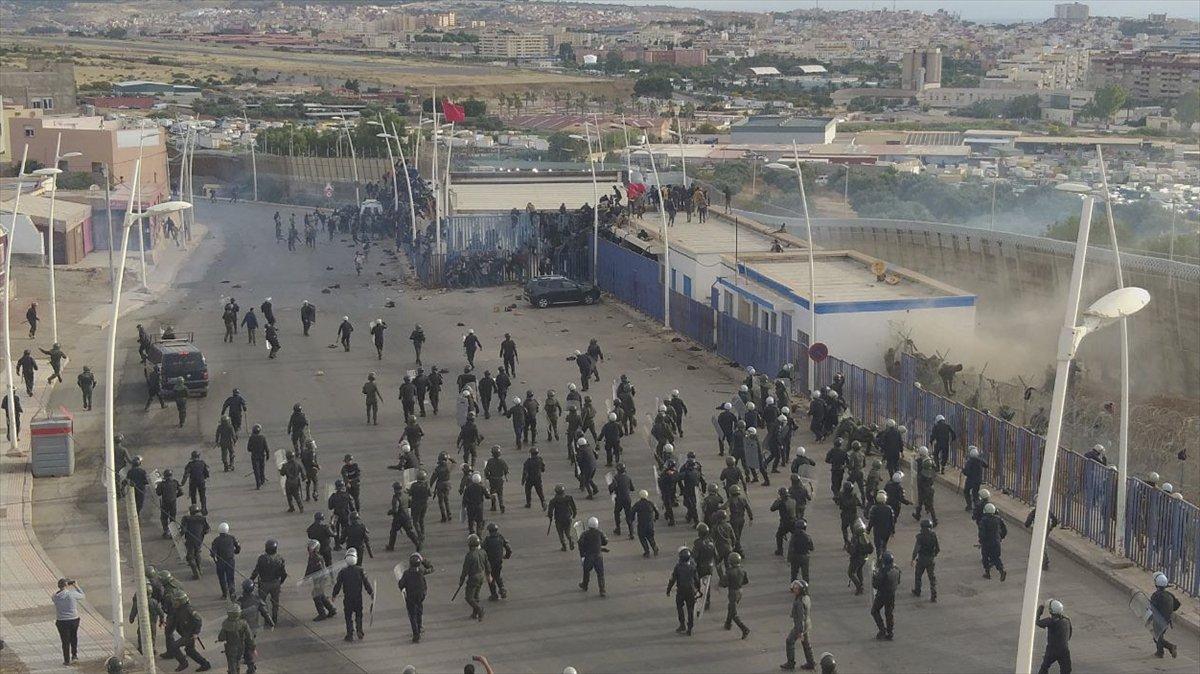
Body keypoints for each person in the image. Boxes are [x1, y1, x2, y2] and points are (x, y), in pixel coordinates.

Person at [332, 550, 374, 641]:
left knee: (348, 616)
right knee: (359, 614)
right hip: (358, 598)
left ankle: (350, 634)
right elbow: (366, 583)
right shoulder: (360, 570)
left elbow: (338, 585)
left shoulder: (343, 572)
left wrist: (334, 595)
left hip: (348, 598)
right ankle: (359, 630)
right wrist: (371, 593)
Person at [397, 553, 435, 642]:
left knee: (412, 615)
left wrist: (400, 583)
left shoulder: (406, 573)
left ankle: (416, 634)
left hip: (411, 597)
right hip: (421, 595)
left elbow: (401, 585)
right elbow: (432, 568)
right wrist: (424, 561)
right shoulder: (421, 571)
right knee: (419, 610)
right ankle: (420, 626)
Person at [250, 539, 287, 627]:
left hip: (264, 584)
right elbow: (284, 574)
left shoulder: (262, 558)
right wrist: (280, 582)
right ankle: (274, 619)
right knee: (275, 603)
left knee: (262, 603)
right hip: (275, 583)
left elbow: (256, 571)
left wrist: (251, 579)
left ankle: (267, 620)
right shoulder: (280, 559)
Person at [781, 580, 814, 671]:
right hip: (807, 624)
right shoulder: (806, 597)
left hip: (800, 626)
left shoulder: (799, 602)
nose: (794, 590)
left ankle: (790, 663)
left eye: (796, 588)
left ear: (801, 590)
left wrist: (800, 632)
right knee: (806, 643)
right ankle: (811, 662)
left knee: (789, 641)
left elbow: (800, 618)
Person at [666, 547, 701, 636]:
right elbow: (697, 579)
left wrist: (668, 590)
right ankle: (690, 627)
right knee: (690, 609)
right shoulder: (692, 567)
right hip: (691, 591)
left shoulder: (678, 567)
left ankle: (682, 625)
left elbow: (672, 579)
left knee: (679, 607)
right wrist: (698, 589)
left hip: (681, 591)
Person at [304, 539, 338, 622]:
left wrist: (319, 583)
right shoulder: (311, 557)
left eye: (311, 548)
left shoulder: (318, 558)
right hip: (316, 579)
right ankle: (331, 609)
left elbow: (322, 571)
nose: (309, 550)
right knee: (321, 595)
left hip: (321, 579)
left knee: (316, 595)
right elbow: (309, 567)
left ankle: (322, 614)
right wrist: (306, 576)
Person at [1035, 600, 1072, 674]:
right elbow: (1069, 633)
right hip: (1064, 650)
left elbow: (1038, 622)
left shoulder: (1050, 621)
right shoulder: (1067, 620)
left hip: (1052, 650)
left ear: (1050, 611)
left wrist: (1040, 609)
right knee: (1066, 670)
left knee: (1044, 668)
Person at [53, 578, 84, 666]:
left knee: (65, 641)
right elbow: (82, 595)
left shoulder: (55, 596)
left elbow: (57, 594)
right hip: (73, 619)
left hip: (61, 621)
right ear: (67, 585)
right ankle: (74, 655)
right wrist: (76, 586)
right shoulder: (72, 594)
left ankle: (66, 660)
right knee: (73, 637)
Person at [459, 534, 490, 621]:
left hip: (473, 577)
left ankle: (479, 610)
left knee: (469, 597)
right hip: (481, 575)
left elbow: (465, 569)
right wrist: (488, 574)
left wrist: (461, 580)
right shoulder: (483, 552)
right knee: (476, 595)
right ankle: (474, 613)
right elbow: (487, 564)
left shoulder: (470, 555)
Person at [216, 605, 255, 674]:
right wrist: (253, 647)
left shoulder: (226, 623)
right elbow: (249, 637)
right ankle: (237, 670)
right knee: (237, 660)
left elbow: (221, 637)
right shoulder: (244, 623)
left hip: (230, 647)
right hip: (241, 646)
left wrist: (220, 639)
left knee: (232, 663)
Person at [1149, 572, 1180, 659]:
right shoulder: (1170, 595)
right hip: (1167, 620)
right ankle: (1161, 651)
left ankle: (1168, 648)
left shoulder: (1155, 595)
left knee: (1157, 636)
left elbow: (1152, 607)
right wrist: (1169, 610)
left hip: (1158, 619)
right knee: (1159, 636)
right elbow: (1177, 605)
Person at [871, 551, 901, 641]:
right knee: (889, 613)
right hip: (892, 594)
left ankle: (882, 630)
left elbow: (876, 585)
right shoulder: (896, 569)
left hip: (882, 595)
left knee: (874, 611)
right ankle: (890, 632)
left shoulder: (884, 571)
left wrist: (874, 576)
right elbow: (898, 581)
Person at [482, 523, 513, 601]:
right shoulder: (500, 537)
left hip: (490, 562)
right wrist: (507, 556)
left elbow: (482, 550)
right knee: (497, 575)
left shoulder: (487, 540)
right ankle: (502, 588)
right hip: (499, 562)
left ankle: (494, 594)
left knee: (490, 578)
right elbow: (508, 548)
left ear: (489, 531)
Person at [578, 517, 608, 596]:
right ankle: (602, 590)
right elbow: (605, 541)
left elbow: (580, 543)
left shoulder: (585, 534)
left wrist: (582, 554)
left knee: (586, 571)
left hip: (589, 556)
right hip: (598, 556)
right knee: (600, 573)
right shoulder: (600, 533)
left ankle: (585, 585)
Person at [911, 519, 939, 602]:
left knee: (918, 575)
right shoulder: (933, 535)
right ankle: (934, 595)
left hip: (921, 559)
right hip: (930, 559)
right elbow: (937, 548)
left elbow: (916, 549)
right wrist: (933, 555)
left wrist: (913, 558)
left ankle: (917, 591)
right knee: (932, 578)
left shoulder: (920, 537)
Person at [978, 502, 1007, 580]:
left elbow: (982, 533)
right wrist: (1000, 537)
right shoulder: (998, 519)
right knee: (996, 557)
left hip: (987, 543)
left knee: (985, 558)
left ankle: (987, 573)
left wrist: (981, 541)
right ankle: (1001, 570)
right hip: (996, 542)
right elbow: (1004, 530)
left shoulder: (983, 521)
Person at [211, 522, 241, 599]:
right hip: (230, 561)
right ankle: (232, 592)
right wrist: (235, 552)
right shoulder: (232, 538)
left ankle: (224, 594)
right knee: (230, 578)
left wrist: (215, 558)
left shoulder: (216, 540)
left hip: (220, 562)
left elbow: (213, 553)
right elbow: (238, 547)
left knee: (222, 578)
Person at [180, 505, 210, 580]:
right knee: (197, 553)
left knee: (190, 557)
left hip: (190, 540)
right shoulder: (202, 519)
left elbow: (183, 530)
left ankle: (196, 573)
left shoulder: (186, 519)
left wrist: (178, 537)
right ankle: (200, 569)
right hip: (199, 540)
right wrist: (200, 534)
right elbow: (207, 530)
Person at [845, 519, 873, 595]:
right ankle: (861, 585)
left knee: (851, 573)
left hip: (857, 558)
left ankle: (859, 587)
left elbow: (853, 551)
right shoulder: (865, 536)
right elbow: (871, 548)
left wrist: (848, 548)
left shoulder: (856, 538)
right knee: (859, 570)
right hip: (864, 558)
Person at [548, 484, 578, 551]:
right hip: (567, 518)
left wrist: (550, 517)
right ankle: (570, 539)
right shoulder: (569, 498)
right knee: (567, 532)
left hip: (559, 519)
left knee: (560, 533)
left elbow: (550, 511)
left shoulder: (553, 500)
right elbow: (573, 507)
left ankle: (564, 545)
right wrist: (574, 514)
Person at [609, 462, 636, 537]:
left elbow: (611, 489)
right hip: (627, 498)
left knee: (617, 512)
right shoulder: (628, 477)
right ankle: (631, 532)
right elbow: (632, 488)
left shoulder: (616, 478)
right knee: (628, 514)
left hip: (619, 499)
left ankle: (618, 528)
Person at [181, 450, 210, 514]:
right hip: (201, 481)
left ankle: (194, 509)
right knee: (202, 496)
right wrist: (205, 477)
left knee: (193, 496)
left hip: (193, 482)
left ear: (192, 457)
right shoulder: (202, 463)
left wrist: (182, 483)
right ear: (198, 456)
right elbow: (207, 472)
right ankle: (204, 509)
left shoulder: (190, 464)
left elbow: (186, 474)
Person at [156, 468, 183, 538]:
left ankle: (166, 531)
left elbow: (158, 493)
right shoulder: (175, 482)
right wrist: (175, 496)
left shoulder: (162, 484)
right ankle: (173, 532)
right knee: (172, 518)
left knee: (164, 518)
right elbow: (181, 492)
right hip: (173, 503)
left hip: (164, 503)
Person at [963, 446, 988, 511]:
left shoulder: (969, 462)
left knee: (966, 491)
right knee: (975, 493)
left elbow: (966, 472)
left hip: (970, 480)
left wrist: (964, 471)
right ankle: (977, 506)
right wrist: (980, 458)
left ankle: (969, 505)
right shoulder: (980, 461)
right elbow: (986, 465)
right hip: (978, 480)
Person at [247, 425, 269, 490]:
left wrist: (253, 449)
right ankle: (262, 480)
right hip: (262, 456)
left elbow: (248, 448)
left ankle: (258, 484)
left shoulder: (251, 438)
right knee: (262, 468)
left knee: (256, 470)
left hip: (254, 456)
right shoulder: (262, 437)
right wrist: (268, 455)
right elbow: (266, 447)